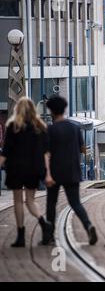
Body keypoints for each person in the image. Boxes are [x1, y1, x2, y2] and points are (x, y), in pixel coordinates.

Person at [44, 96, 97, 245]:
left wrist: (47, 174)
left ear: (52, 111)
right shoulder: (74, 128)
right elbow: (82, 149)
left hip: (55, 172)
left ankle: (49, 236)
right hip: (72, 171)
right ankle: (88, 225)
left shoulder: (50, 129)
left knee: (51, 203)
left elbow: (47, 153)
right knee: (75, 203)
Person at [0, 97, 52, 247]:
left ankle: (21, 236)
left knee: (17, 201)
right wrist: (47, 173)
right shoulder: (41, 127)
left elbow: (6, 151)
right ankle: (44, 223)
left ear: (18, 109)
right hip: (34, 169)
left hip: (16, 169)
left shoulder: (13, 127)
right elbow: (46, 153)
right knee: (30, 200)